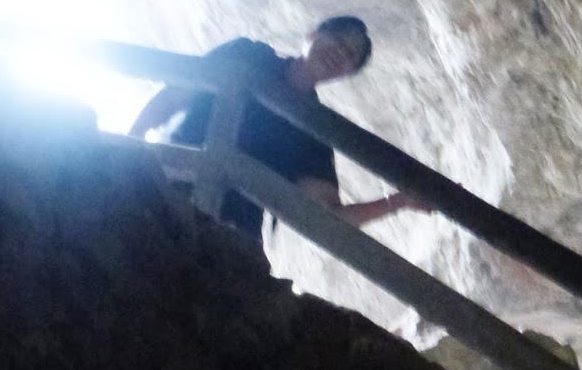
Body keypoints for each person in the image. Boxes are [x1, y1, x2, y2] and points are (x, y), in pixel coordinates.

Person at [129, 16, 428, 244]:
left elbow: (326, 215)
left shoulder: (315, 130)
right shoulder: (247, 54)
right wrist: (129, 146)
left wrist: (397, 202)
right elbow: (173, 97)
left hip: (231, 229)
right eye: (337, 39)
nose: (340, 52)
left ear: (346, 73)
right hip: (166, 182)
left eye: (350, 54)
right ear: (312, 34)